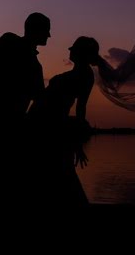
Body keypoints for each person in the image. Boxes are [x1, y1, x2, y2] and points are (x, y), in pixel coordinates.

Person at [0, 12, 51, 205]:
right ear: (36, 30)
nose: (49, 35)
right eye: (46, 30)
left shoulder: (31, 61)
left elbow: (39, 98)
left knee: (7, 179)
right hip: (4, 124)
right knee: (7, 178)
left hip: (9, 125)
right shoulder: (12, 45)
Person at [28, 36, 107, 207]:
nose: (69, 51)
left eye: (74, 49)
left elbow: (80, 109)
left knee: (60, 172)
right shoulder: (78, 74)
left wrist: (77, 144)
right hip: (42, 125)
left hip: (51, 128)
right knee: (51, 175)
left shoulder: (85, 75)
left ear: (81, 54)